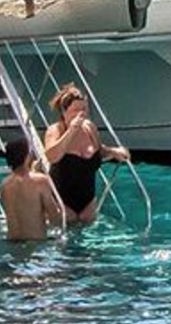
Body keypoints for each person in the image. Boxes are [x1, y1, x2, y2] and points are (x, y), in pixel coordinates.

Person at [42, 83, 129, 225]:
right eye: (75, 110)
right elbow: (52, 156)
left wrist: (114, 152)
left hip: (88, 203)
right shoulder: (55, 130)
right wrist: (72, 130)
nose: (81, 114)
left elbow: (99, 151)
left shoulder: (89, 128)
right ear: (64, 112)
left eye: (83, 109)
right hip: (62, 202)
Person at [0, 136, 62, 241]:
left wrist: (32, 170)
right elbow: (54, 216)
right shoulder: (40, 181)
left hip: (12, 243)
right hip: (36, 243)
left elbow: (22, 208)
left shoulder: (4, 184)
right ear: (27, 156)